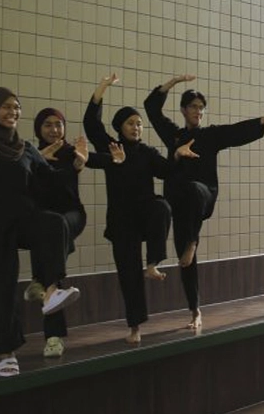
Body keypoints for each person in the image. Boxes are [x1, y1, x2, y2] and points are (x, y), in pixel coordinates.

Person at [0, 88, 82, 377]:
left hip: (23, 220)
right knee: (1, 290)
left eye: (17, 107)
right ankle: (6, 354)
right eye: (6, 107)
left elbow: (52, 179)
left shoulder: (26, 148)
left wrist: (76, 165)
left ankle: (52, 292)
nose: (13, 112)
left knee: (54, 223)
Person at [144, 76, 264, 329]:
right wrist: (172, 83)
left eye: (201, 107)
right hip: (181, 205)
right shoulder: (174, 136)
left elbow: (234, 132)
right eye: (193, 107)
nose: (198, 111)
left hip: (204, 195)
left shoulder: (210, 136)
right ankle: (195, 311)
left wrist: (259, 122)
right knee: (186, 262)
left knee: (194, 191)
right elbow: (151, 109)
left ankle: (193, 241)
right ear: (184, 110)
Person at [83, 74, 173, 344]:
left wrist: (179, 153)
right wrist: (102, 88)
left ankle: (153, 262)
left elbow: (167, 171)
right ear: (120, 127)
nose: (136, 127)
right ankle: (135, 328)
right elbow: (91, 123)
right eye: (131, 123)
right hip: (122, 221)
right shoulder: (111, 148)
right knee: (128, 275)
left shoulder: (148, 152)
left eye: (139, 123)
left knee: (162, 207)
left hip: (145, 214)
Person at [20, 108, 90, 358]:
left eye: (58, 125)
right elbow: (25, 188)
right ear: (39, 129)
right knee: (51, 237)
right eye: (48, 125)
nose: (54, 130)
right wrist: (37, 160)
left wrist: (78, 164)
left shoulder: (72, 153)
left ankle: (41, 283)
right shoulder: (29, 153)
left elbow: (62, 186)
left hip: (72, 215)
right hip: (44, 220)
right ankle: (52, 334)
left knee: (56, 226)